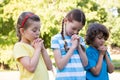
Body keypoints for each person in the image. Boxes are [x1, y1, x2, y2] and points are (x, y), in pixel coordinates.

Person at [13, 12, 52, 80]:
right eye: (34, 30)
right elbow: (31, 68)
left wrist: (43, 50)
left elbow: (49, 67)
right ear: (22, 31)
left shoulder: (36, 46)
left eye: (39, 30)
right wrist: (37, 50)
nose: (38, 33)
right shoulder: (19, 46)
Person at [51, 9, 88, 80]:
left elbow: (85, 64)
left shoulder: (80, 39)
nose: (75, 32)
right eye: (73, 28)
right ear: (65, 21)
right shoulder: (56, 39)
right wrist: (72, 48)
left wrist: (78, 47)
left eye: (78, 30)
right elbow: (60, 65)